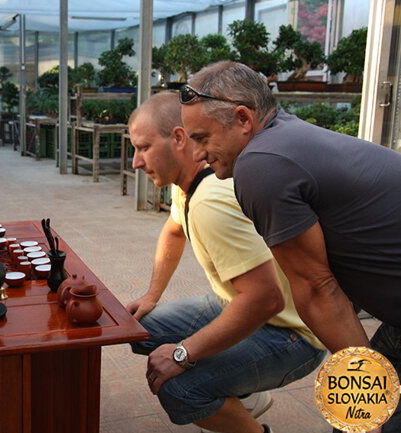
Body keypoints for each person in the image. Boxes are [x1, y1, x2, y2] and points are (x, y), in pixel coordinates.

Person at [181, 60, 401, 433]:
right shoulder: (284, 135)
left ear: (243, 119)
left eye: (202, 138)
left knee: (360, 415)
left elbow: (317, 289)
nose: (197, 154)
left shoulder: (261, 165)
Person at [126, 92, 326, 433]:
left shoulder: (210, 202)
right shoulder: (187, 184)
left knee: (180, 388)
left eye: (143, 147)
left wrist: (182, 353)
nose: (135, 162)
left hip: (292, 335)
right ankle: (244, 396)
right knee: (138, 330)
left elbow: (266, 299)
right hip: (237, 304)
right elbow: (174, 231)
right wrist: (151, 295)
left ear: (177, 138)